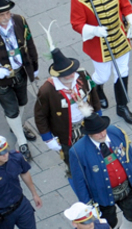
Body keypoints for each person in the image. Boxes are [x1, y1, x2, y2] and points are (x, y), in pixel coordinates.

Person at [69, 0, 132, 124]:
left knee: (123, 71)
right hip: (99, 44)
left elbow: (125, 5)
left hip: (119, 37)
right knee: (103, 76)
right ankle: (97, 90)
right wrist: (93, 30)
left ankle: (122, 106)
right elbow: (76, 23)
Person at [68, 113, 132, 229]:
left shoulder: (115, 132)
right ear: (89, 134)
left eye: (103, 129)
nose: (102, 133)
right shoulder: (78, 151)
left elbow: (129, 152)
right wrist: (86, 203)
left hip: (125, 187)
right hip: (101, 195)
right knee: (109, 224)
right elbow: (78, 179)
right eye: (97, 132)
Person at [33, 40, 99, 172]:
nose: (71, 75)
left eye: (72, 71)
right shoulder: (47, 90)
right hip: (66, 131)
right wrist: (48, 138)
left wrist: (98, 112)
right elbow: (40, 115)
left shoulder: (82, 75)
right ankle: (76, 173)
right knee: (72, 157)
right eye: (66, 74)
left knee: (93, 148)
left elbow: (93, 93)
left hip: (87, 122)